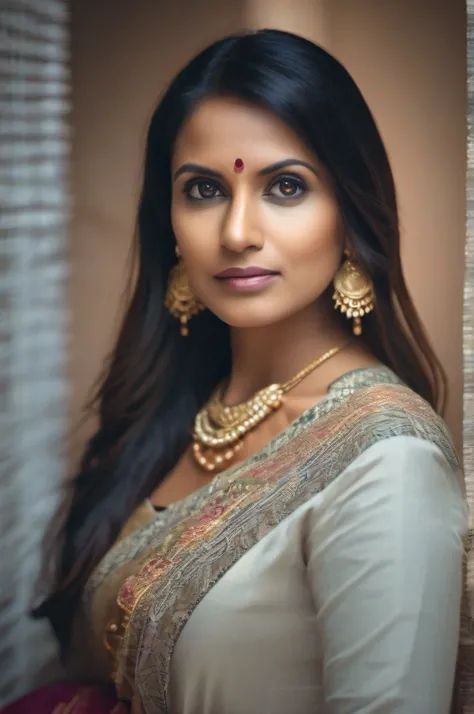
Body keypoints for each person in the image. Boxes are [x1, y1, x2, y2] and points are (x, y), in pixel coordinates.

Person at [5, 28, 471, 714]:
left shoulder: (386, 460)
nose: (236, 231)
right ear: (168, 221)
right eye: (203, 190)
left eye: (286, 186)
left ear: (348, 215)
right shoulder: (170, 414)